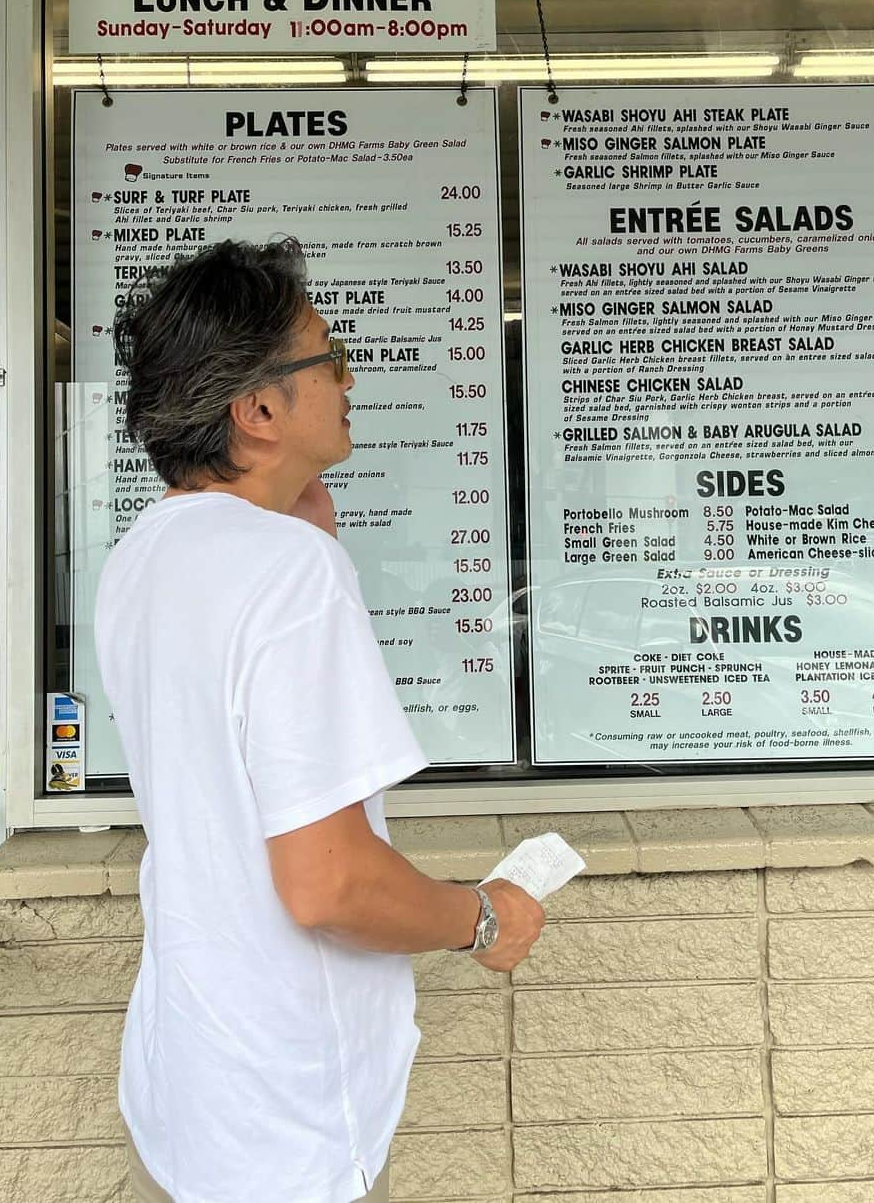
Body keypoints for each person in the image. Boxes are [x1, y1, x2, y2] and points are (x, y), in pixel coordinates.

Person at [95, 239, 545, 1203]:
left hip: (183, 1089)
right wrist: (483, 920)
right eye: (330, 360)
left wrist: (303, 536)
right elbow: (329, 884)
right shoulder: (287, 575)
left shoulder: (140, 557)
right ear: (258, 412)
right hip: (283, 1130)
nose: (350, 377)